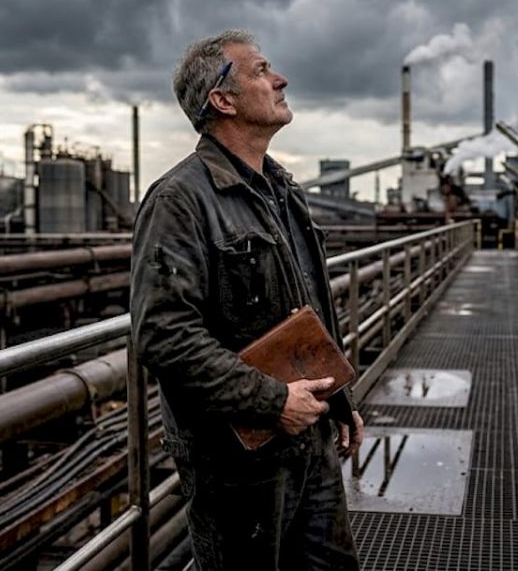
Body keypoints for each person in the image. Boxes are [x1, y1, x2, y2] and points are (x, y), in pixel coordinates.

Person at [131, 29, 363, 570]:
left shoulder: (283, 190)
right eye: (261, 70)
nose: (279, 79)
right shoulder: (179, 201)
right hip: (238, 462)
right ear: (223, 99)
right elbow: (164, 335)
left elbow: (304, 308)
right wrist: (272, 402)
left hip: (311, 438)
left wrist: (339, 397)